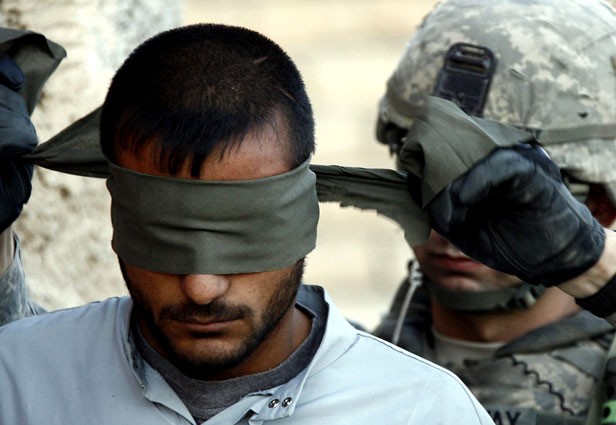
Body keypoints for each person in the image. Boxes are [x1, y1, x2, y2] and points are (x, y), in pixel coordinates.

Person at [0, 24, 493, 424]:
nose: (201, 287)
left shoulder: (422, 411)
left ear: (305, 216)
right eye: (163, 237)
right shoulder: (17, 380)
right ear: (118, 215)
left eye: (242, 235)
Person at [371, 0, 616, 422]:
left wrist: (595, 262)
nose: (452, 220)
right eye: (427, 175)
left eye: (504, 192)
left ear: (602, 206)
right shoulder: (343, 372)